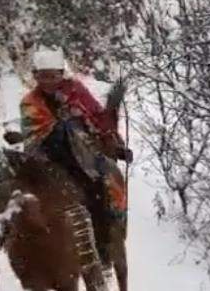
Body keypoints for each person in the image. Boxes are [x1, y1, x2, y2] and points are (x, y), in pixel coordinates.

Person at [19, 46, 131, 262]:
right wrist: (58, 127)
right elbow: (32, 135)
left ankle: (105, 247)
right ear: (35, 77)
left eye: (53, 76)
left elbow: (98, 117)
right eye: (43, 76)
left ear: (61, 74)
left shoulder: (76, 91)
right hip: (46, 157)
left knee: (101, 191)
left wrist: (113, 141)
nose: (48, 81)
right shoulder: (29, 102)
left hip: (83, 157)